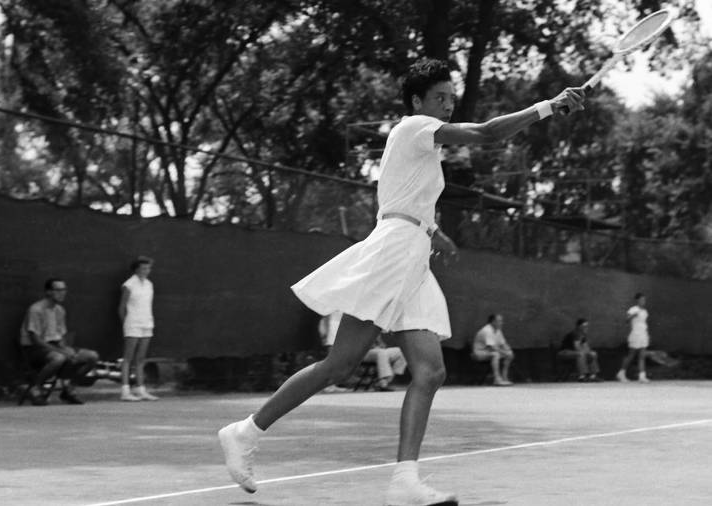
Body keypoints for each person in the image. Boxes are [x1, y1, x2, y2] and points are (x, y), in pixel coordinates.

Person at [217, 57, 585, 506]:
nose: (447, 105)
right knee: (340, 365)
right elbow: (488, 133)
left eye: (451, 98)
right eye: (440, 98)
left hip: (413, 254)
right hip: (394, 252)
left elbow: (407, 199)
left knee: (430, 371)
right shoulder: (414, 127)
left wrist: (434, 232)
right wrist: (548, 106)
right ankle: (245, 431)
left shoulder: (420, 144)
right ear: (416, 101)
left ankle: (404, 482)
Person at [20, 278, 99, 405]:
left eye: (64, 290)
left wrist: (67, 350)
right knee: (58, 358)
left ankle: (69, 388)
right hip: (35, 349)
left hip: (55, 346)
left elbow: (60, 336)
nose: (62, 293)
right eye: (58, 290)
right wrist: (61, 352)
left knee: (92, 356)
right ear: (48, 292)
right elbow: (35, 339)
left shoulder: (60, 310)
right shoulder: (36, 309)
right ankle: (36, 389)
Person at [118, 256, 159, 401]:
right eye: (143, 268)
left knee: (141, 358)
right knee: (128, 358)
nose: (146, 271)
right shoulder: (128, 285)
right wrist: (126, 324)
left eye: (148, 268)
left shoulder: (149, 284)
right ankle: (125, 391)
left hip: (147, 323)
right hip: (132, 324)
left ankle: (140, 389)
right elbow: (121, 307)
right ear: (136, 270)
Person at [471, 314, 515, 386]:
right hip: (479, 353)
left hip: (489, 352)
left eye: (501, 321)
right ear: (493, 322)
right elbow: (491, 347)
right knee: (495, 355)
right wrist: (504, 353)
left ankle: (504, 377)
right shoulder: (487, 330)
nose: (501, 323)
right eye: (499, 321)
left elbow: (503, 344)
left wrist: (508, 350)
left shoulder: (498, 330)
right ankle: (497, 379)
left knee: (509, 354)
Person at [616, 293, 651, 383]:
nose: (643, 301)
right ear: (637, 300)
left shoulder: (645, 311)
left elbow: (644, 323)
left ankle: (642, 376)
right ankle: (621, 373)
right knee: (631, 355)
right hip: (635, 334)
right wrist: (633, 315)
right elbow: (627, 320)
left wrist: (647, 334)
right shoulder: (633, 309)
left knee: (642, 355)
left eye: (644, 300)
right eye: (641, 299)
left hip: (643, 334)